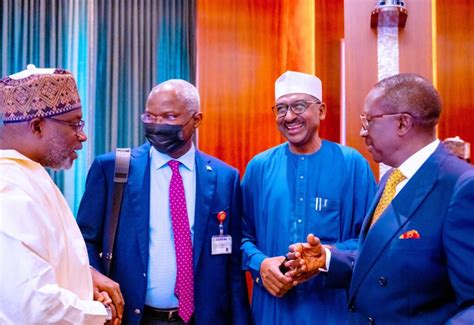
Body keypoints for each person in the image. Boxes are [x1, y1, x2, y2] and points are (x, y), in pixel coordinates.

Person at [286, 73, 474, 323]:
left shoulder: (460, 187)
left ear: (402, 124)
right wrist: (328, 259)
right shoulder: (391, 179)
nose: (362, 132)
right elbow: (384, 261)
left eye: (368, 121)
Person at [76, 79, 251, 324]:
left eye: (169, 117)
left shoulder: (225, 178)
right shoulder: (113, 169)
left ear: (197, 120)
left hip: (202, 318)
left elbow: (232, 264)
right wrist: (95, 278)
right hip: (133, 317)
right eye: (150, 117)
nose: (157, 126)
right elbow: (84, 239)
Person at [240, 70, 376, 324]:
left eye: (299, 106)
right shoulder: (259, 167)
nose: (289, 116)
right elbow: (239, 235)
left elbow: (371, 242)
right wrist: (260, 264)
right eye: (281, 108)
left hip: (333, 311)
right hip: (273, 311)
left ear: (321, 110)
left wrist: (324, 256)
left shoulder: (352, 165)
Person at [0, 65, 123, 324]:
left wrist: (83, 276)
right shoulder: (8, 188)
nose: (83, 135)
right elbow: (35, 309)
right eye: (73, 124)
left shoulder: (28, 175)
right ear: (36, 126)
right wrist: (101, 312)